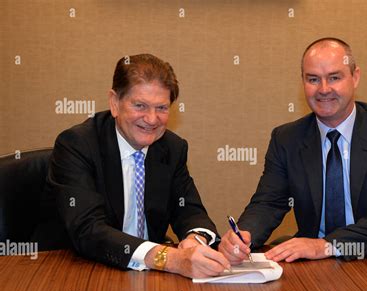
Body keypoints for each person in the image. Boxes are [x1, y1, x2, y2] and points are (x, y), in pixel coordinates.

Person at [218, 38, 367, 264]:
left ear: (355, 77)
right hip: (318, 266)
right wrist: (243, 236)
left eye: (334, 77)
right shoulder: (287, 138)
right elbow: (268, 202)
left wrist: (328, 245)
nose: (323, 89)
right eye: (313, 79)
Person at [40, 54, 230, 278]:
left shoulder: (172, 148)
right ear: (114, 102)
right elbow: (88, 230)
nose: (151, 119)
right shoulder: (77, 144)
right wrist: (168, 258)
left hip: (149, 276)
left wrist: (194, 240)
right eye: (140, 105)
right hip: (77, 272)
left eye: (161, 108)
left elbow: (189, 210)